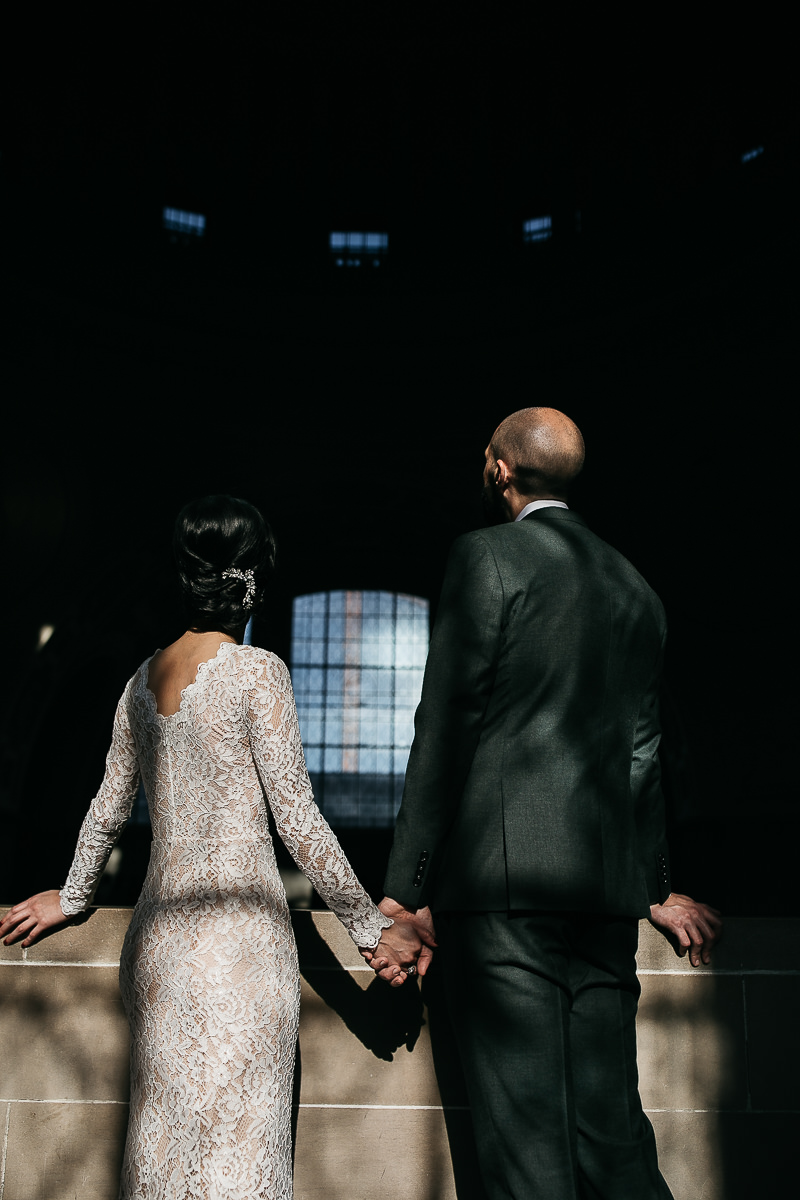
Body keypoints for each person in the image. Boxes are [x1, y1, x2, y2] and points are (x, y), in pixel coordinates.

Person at [0, 494, 422, 1200]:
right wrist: (371, 931)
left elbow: (106, 809)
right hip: (241, 948)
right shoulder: (261, 674)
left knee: (163, 1153)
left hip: (160, 946)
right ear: (255, 576)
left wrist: (71, 897)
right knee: (241, 1157)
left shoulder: (139, 682)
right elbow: (299, 822)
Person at [373, 409, 723, 1199]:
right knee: (612, 1140)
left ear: (499, 470)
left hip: (504, 899)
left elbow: (448, 722)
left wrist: (407, 885)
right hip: (602, 902)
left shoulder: (484, 558)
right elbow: (644, 754)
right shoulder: (636, 588)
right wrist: (654, 886)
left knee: (526, 1154)